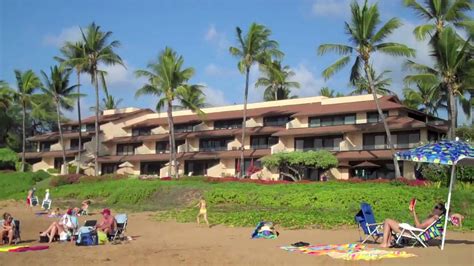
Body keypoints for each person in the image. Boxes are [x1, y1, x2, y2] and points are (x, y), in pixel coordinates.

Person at [380, 202, 446, 248]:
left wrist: (414, 212)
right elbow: (419, 225)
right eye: (435, 207)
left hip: (412, 233)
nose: (434, 208)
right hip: (414, 232)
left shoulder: (434, 218)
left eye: (437, 207)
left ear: (441, 211)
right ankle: (387, 243)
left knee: (387, 221)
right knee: (390, 221)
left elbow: (418, 226)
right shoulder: (433, 217)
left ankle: (384, 243)